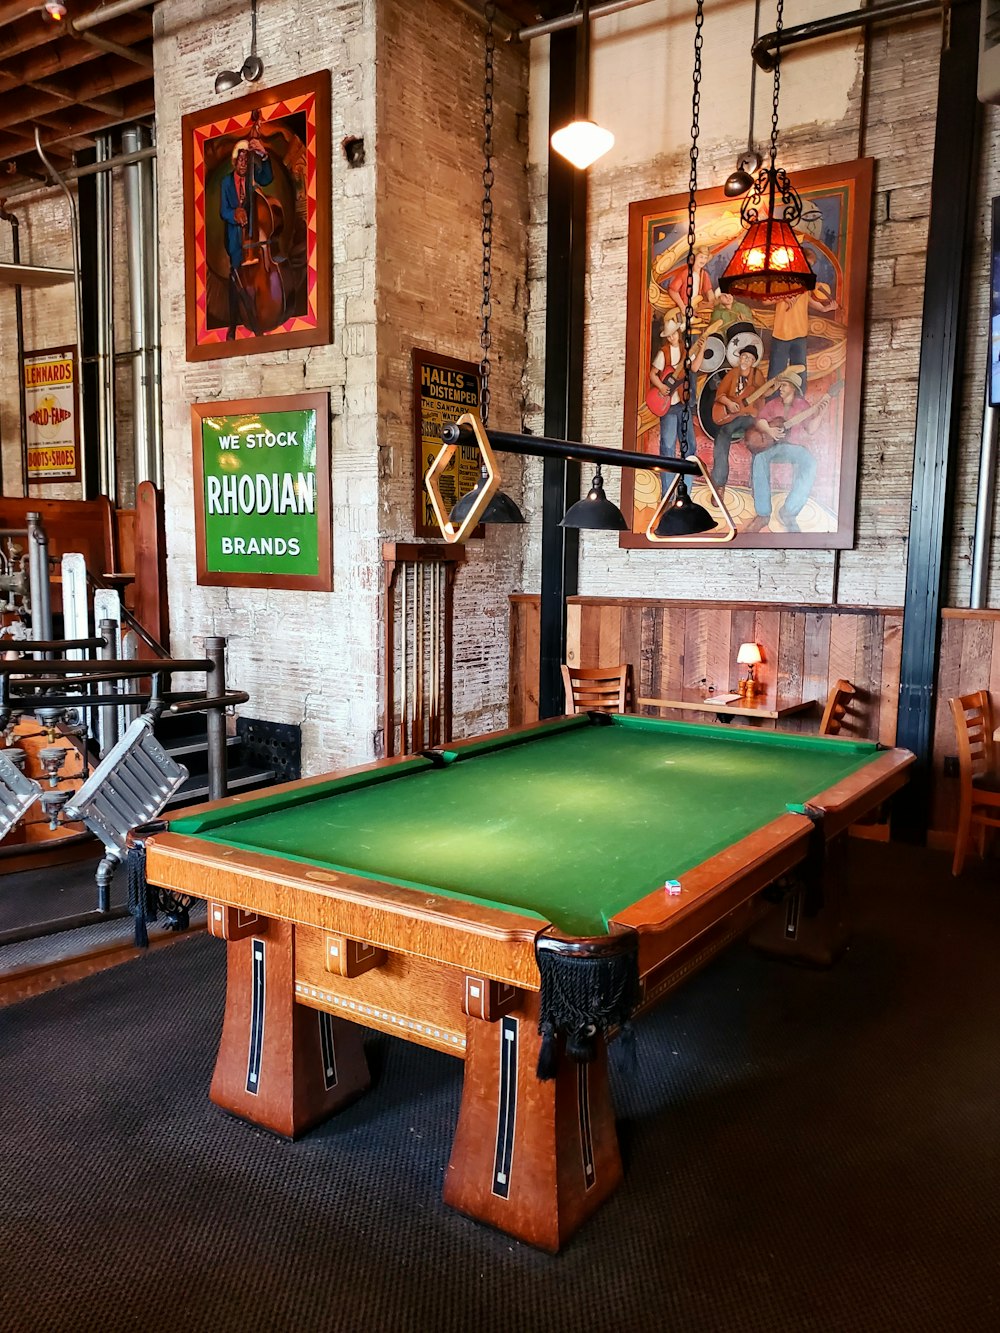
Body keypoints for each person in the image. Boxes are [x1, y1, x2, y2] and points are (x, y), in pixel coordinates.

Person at [743, 369, 830, 533]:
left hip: (792, 447)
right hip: (771, 445)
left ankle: (789, 511)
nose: (780, 388)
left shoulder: (803, 405)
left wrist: (821, 413)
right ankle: (763, 514)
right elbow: (759, 421)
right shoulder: (773, 404)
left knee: (809, 461)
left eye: (784, 385)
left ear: (793, 388)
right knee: (759, 457)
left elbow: (811, 429)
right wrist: (769, 431)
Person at [220, 134, 273, 338]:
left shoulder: (254, 176)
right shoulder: (226, 183)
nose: (243, 163)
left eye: (246, 159)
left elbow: (267, 178)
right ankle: (233, 325)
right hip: (236, 242)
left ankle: (257, 318)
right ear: (235, 161)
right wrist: (234, 213)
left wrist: (263, 154)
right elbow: (222, 211)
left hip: (256, 241)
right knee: (236, 282)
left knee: (255, 282)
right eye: (240, 159)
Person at [766, 247, 837, 388]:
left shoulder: (806, 283)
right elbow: (766, 300)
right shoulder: (782, 279)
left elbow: (808, 300)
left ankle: (799, 400)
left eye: (810, 265)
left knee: (800, 372)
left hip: (800, 333)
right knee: (776, 371)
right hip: (782, 333)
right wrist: (783, 297)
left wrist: (824, 308)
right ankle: (771, 400)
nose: (808, 268)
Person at [649, 317, 706, 489]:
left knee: (689, 445)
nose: (672, 337)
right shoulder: (663, 353)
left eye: (674, 334)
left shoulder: (686, 350)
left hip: (683, 403)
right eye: (669, 335)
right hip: (668, 406)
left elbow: (694, 367)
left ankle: (685, 490)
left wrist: (702, 349)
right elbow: (653, 374)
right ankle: (667, 492)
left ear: (678, 333)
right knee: (667, 447)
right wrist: (660, 386)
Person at [709, 346, 766, 507]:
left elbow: (762, 397)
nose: (745, 360)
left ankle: (757, 486)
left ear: (754, 361)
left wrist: (756, 412)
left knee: (758, 439)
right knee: (723, 434)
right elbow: (720, 394)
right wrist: (730, 403)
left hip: (750, 417)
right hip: (733, 416)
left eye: (749, 358)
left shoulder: (758, 376)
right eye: (743, 357)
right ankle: (719, 486)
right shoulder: (732, 374)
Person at [665, 247, 714, 320]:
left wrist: (712, 302)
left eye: (705, 258)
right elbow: (672, 290)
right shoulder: (685, 273)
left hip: (696, 307)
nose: (703, 260)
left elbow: (709, 291)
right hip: (685, 307)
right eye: (701, 257)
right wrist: (682, 307)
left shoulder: (704, 274)